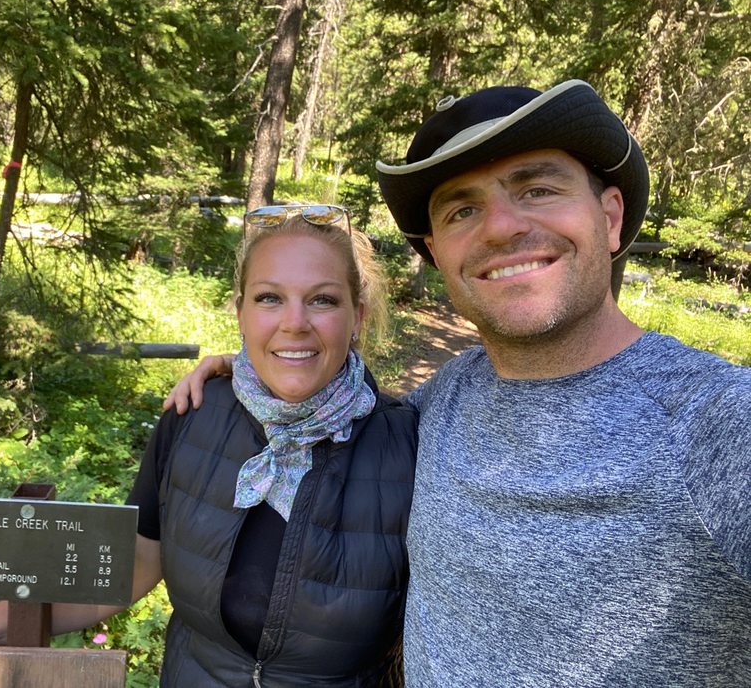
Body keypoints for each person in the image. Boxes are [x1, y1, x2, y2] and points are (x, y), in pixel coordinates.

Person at [166, 80, 751, 686]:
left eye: (538, 188)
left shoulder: (717, 425)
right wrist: (252, 367)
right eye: (462, 210)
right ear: (436, 252)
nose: (500, 227)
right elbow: (339, 409)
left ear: (609, 216)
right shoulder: (444, 399)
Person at [0, 205, 418, 687]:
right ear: (240, 313)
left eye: (322, 299)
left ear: (358, 317)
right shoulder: (193, 417)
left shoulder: (412, 447)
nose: (294, 323)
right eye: (269, 298)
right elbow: (133, 566)